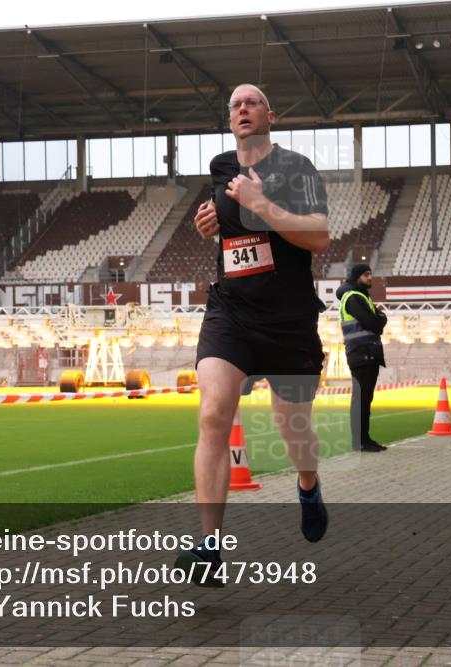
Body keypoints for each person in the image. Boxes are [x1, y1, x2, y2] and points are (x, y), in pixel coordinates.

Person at [175, 83, 331, 585]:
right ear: (230, 119)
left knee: (295, 433)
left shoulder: (298, 168)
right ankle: (209, 547)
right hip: (231, 313)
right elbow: (233, 237)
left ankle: (307, 485)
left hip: (288, 321)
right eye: (235, 105)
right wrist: (210, 228)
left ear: (271, 114)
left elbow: (319, 236)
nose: (242, 109)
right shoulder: (222, 168)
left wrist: (264, 205)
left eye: (252, 102)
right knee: (214, 411)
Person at [336, 263, 387, 453]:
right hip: (362, 352)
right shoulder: (354, 297)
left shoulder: (360, 296)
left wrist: (379, 319)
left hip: (364, 352)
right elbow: (375, 322)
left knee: (364, 399)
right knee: (361, 399)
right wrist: (379, 319)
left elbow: (378, 320)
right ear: (357, 276)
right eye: (367, 275)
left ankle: (363, 439)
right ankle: (360, 441)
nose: (370, 278)